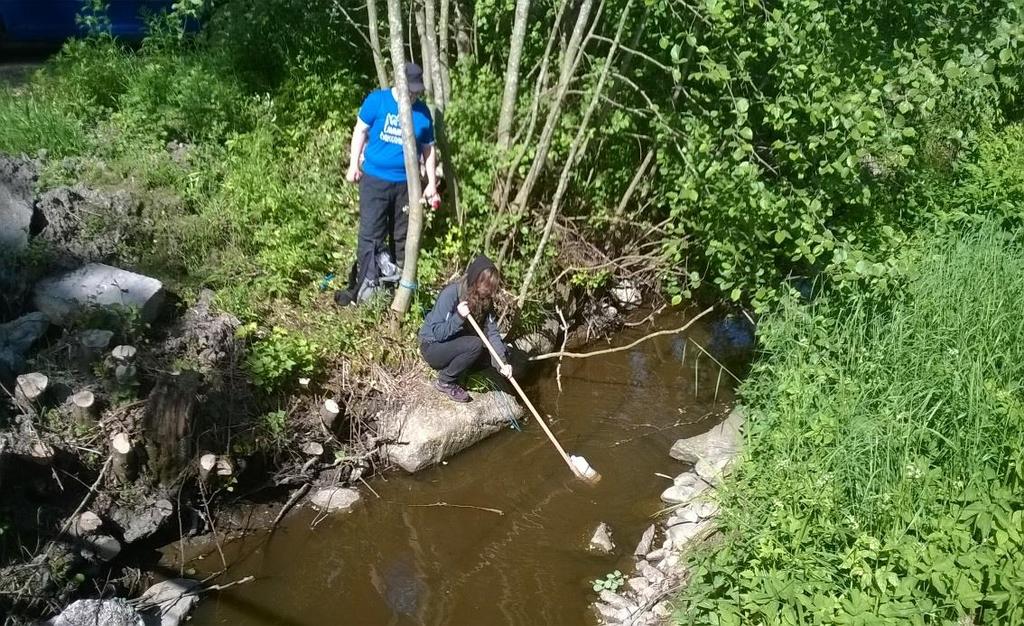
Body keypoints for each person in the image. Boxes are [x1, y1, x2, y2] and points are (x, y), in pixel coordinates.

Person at [336, 62, 439, 307]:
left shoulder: (423, 114)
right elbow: (360, 131)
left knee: (401, 237)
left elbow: (428, 149)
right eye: (410, 89)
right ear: (399, 83)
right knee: (371, 234)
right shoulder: (377, 101)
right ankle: (366, 287)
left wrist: (431, 184)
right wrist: (353, 165)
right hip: (375, 180)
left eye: (417, 90)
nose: (413, 95)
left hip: (407, 185)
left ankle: (396, 289)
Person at [419, 255, 513, 402]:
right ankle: (445, 380)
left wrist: (503, 364)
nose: (488, 291)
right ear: (475, 279)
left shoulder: (486, 300)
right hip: (433, 346)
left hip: (456, 343)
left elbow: (492, 333)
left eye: (491, 287)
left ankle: (462, 370)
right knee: (475, 345)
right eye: (485, 285)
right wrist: (459, 317)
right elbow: (438, 333)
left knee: (502, 352)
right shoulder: (451, 294)